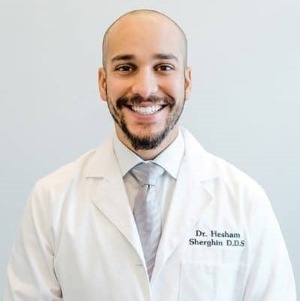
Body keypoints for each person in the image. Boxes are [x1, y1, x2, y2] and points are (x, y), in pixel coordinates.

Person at [3, 9, 296, 301]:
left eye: (164, 67)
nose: (144, 89)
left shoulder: (246, 201)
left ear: (187, 81)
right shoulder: (51, 199)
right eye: (125, 68)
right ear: (103, 83)